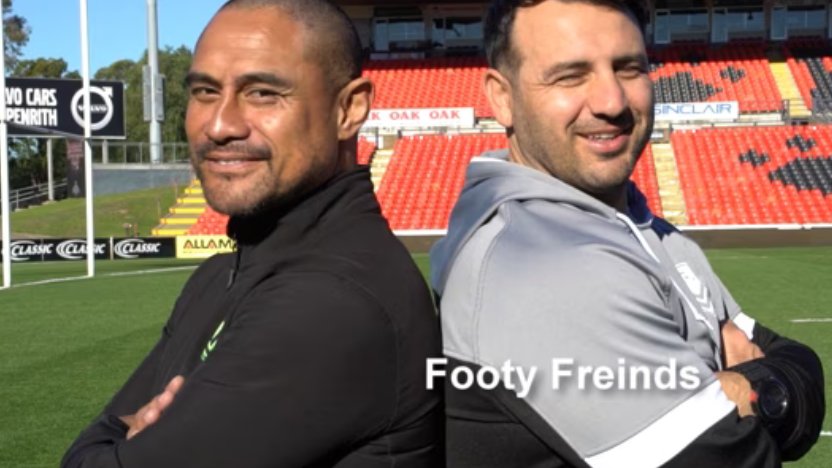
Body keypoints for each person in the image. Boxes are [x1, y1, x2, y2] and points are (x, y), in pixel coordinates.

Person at [430, 1, 825, 467]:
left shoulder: (649, 228)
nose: (612, 102)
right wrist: (769, 387)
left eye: (629, 69)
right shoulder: (545, 263)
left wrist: (749, 389)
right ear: (502, 97)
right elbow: (739, 458)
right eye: (570, 76)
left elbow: (796, 359)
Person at [61, 1, 443, 467]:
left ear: (349, 108)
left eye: (262, 93)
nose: (220, 125)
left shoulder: (332, 302)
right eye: (205, 91)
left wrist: (108, 442)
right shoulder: (218, 274)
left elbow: (101, 450)